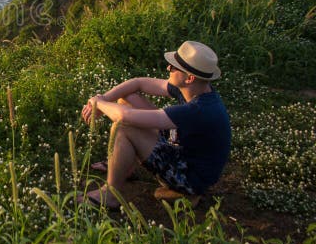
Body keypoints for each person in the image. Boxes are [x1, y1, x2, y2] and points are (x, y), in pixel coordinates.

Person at [79, 41, 231, 209]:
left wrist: (98, 103)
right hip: (182, 146)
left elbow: (124, 116)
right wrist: (105, 98)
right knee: (127, 99)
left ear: (189, 78)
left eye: (174, 67)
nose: (168, 68)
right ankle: (123, 164)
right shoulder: (196, 89)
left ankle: (110, 195)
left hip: (189, 177)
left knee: (124, 127)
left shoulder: (198, 109)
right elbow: (138, 83)